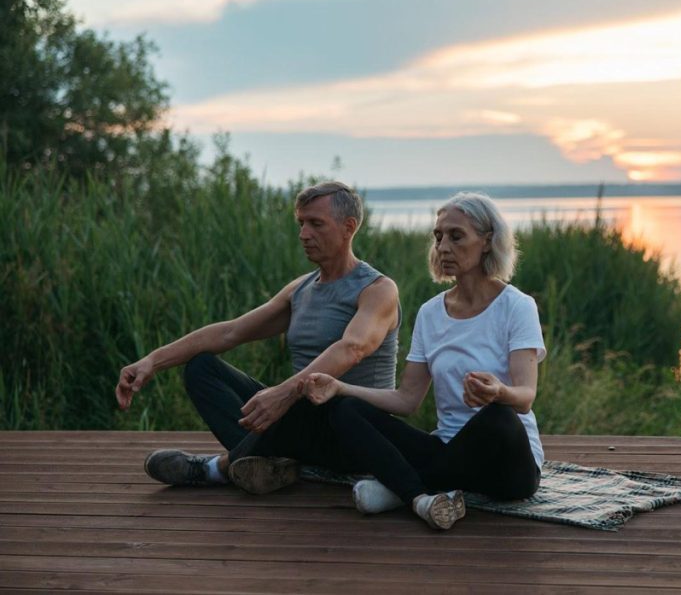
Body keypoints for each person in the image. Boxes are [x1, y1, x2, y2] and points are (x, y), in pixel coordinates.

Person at [114, 181, 401, 491]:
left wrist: (284, 393)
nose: (304, 234)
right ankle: (263, 465)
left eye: (316, 224)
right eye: (301, 223)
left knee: (313, 397)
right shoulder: (300, 290)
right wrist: (152, 361)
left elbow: (352, 348)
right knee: (202, 367)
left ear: (348, 227)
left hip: (356, 432)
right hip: (304, 425)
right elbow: (231, 331)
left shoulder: (377, 290)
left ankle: (217, 468)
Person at [301, 191, 545, 530]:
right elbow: (406, 400)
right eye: (438, 236)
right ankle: (421, 496)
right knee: (345, 408)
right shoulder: (431, 313)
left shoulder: (517, 307)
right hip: (446, 451)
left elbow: (525, 398)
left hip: (508, 466)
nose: (443, 246)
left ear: (487, 241)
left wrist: (498, 392)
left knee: (500, 418)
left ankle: (403, 487)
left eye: (456, 236)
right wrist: (340, 386)